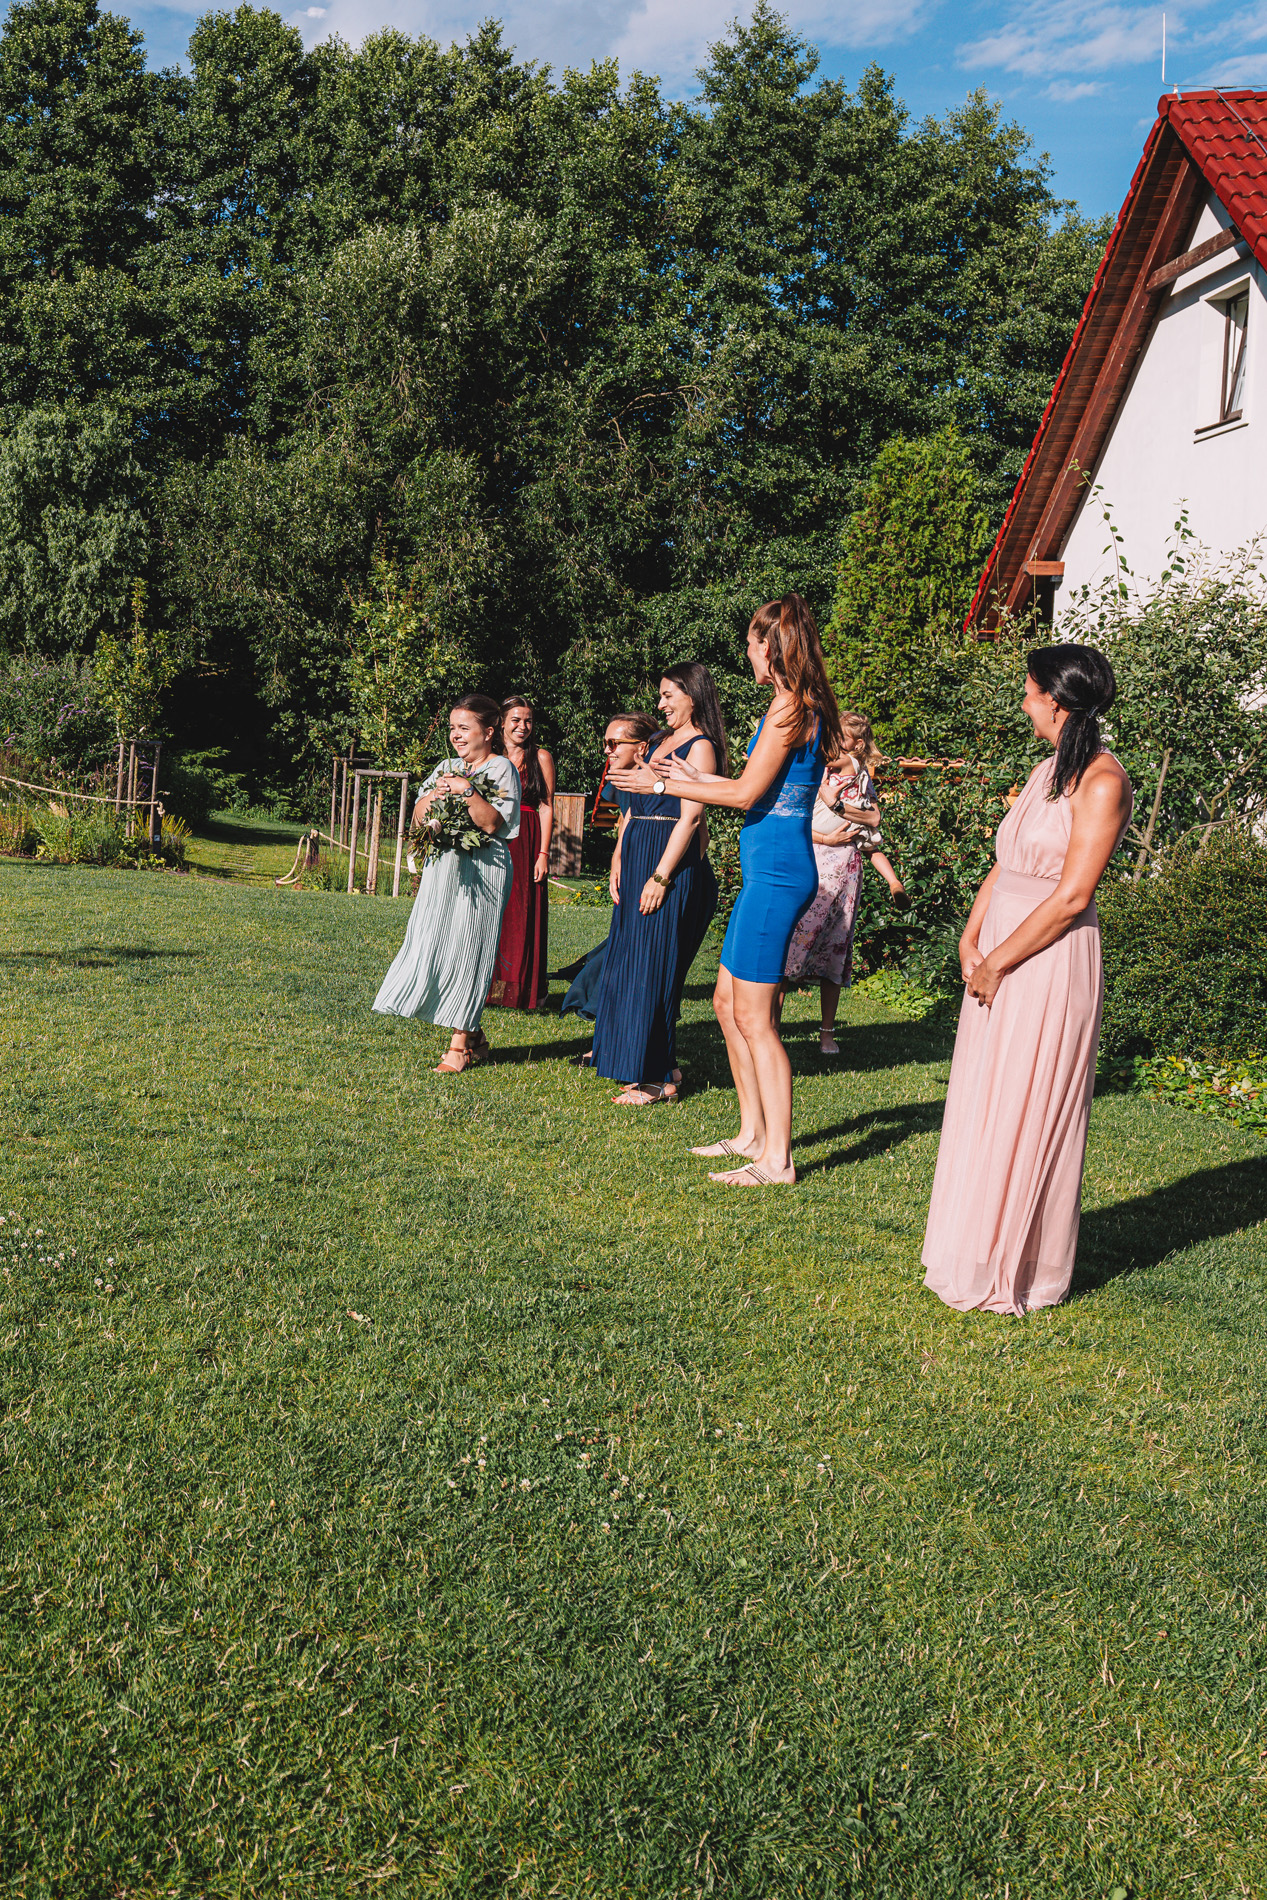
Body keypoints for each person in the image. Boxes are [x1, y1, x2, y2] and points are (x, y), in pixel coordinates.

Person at [921, 645, 1133, 1314]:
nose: (1022, 704)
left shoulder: (1103, 781)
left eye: (1027, 692)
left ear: (1056, 702)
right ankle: (972, 1245)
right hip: (1001, 946)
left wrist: (999, 960)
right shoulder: (1046, 769)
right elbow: (1004, 862)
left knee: (1027, 1100)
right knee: (987, 1095)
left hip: (1048, 957)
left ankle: (1017, 1264)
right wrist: (971, 936)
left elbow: (1071, 896)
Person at [610, 595, 843, 1183]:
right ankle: (750, 1135)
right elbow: (751, 787)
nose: (747, 654)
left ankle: (777, 1159)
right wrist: (689, 777)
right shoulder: (785, 706)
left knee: (758, 1020)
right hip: (766, 872)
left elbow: (742, 796)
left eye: (751, 644)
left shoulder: (790, 709)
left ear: (771, 646)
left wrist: (660, 785)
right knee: (724, 1002)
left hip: (779, 876)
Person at [589, 667, 724, 1104]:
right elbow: (633, 804)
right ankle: (649, 1061)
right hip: (637, 856)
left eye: (668, 696)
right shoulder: (661, 740)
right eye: (661, 696)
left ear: (692, 696)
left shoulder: (700, 747)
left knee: (655, 969)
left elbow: (691, 818)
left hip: (668, 864)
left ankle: (659, 1077)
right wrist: (618, 857)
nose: (661, 704)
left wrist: (661, 876)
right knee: (631, 963)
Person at [372, 694, 521, 1073]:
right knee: (433, 942)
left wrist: (465, 790)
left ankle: (459, 1046)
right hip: (443, 868)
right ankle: (475, 1035)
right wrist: (434, 796)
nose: (455, 735)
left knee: (470, 947)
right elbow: (419, 815)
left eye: (464, 728)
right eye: (452, 728)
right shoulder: (446, 766)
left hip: (484, 869)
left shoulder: (502, 768)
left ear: (488, 732)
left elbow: (492, 824)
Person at [780, 711, 882, 1055]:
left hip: (842, 870)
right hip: (809, 859)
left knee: (835, 949)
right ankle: (771, 1026)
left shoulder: (850, 766)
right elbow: (792, 820)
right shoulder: (814, 773)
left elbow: (873, 822)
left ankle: (826, 1033)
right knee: (788, 944)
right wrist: (825, 837)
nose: (832, 740)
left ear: (857, 744)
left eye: (840, 735)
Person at [558, 713, 657, 1029]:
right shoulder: (622, 777)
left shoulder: (658, 778)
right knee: (623, 937)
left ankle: (606, 1004)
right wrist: (617, 859)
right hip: (632, 862)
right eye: (605, 743)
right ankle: (604, 1006)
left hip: (654, 865)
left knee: (636, 944)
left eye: (614, 743)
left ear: (641, 747)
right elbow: (627, 818)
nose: (606, 750)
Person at [487, 695, 555, 1010]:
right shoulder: (489, 755)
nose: (522, 726)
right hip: (492, 836)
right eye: (516, 719)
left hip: (527, 840)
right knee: (490, 911)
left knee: (522, 913)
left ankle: (523, 989)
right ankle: (487, 987)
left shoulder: (540, 757)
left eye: (528, 721)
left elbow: (546, 806)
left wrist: (543, 853)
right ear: (501, 722)